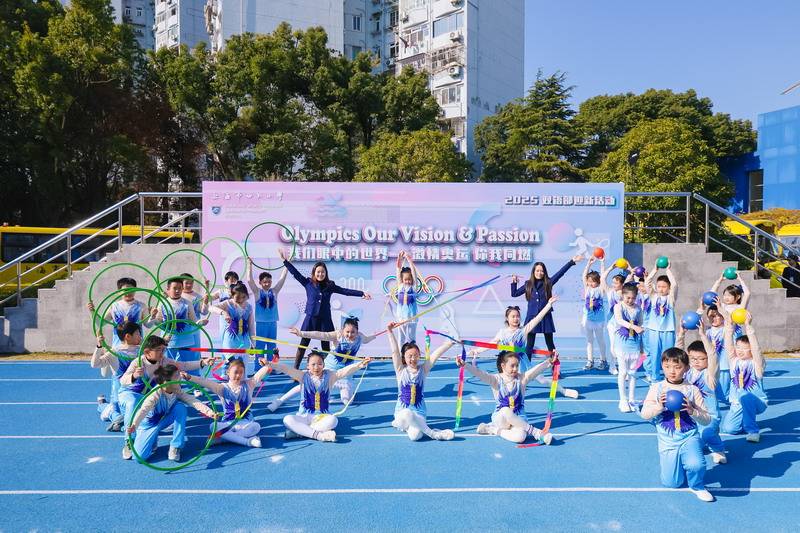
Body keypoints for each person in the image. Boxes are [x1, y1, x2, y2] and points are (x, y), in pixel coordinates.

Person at [118, 335, 213, 459]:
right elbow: (123, 380)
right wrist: (134, 375)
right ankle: (129, 441)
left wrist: (202, 362)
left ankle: (175, 446)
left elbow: (183, 365)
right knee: (134, 405)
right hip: (132, 393)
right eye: (159, 350)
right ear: (147, 352)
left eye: (163, 349)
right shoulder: (138, 362)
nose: (162, 353)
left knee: (179, 407)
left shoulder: (164, 361)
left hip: (154, 396)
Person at [640, 347, 715, 502]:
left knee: (696, 465)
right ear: (662, 366)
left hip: (689, 437)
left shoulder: (692, 390)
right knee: (672, 483)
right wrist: (659, 407)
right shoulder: (656, 388)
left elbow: (707, 419)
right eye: (667, 366)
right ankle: (678, 464)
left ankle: (697, 485)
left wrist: (693, 411)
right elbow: (644, 414)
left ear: (686, 368)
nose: (672, 371)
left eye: (677, 367)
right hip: (667, 441)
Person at [466, 297, 578, 398]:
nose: (516, 319)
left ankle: (564, 391)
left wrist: (549, 305)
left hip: (523, 363)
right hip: (508, 365)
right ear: (507, 318)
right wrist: (477, 351)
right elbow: (491, 344)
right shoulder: (502, 332)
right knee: (508, 385)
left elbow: (538, 318)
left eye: (518, 316)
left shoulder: (523, 331)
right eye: (513, 316)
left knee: (542, 380)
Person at [279, 249, 372, 369]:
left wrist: (361, 293)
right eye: (318, 272)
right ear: (314, 273)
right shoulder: (308, 283)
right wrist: (285, 261)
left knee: (326, 346)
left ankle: (328, 368)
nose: (320, 274)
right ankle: (295, 368)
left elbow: (345, 291)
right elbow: (295, 273)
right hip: (310, 318)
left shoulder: (330, 285)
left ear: (325, 273)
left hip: (325, 319)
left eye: (322, 272)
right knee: (303, 344)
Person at [268, 317, 377, 412]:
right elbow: (320, 335)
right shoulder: (337, 335)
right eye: (347, 332)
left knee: (347, 402)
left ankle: (333, 391)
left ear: (357, 332)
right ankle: (280, 400)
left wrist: (375, 335)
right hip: (330, 368)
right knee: (308, 384)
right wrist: (301, 333)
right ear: (343, 330)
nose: (350, 335)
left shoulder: (360, 337)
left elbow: (367, 339)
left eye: (353, 332)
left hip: (345, 372)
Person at [268, 351, 370, 442]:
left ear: (324, 365)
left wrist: (361, 364)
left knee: (333, 420)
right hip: (303, 416)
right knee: (287, 419)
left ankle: (300, 432)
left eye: (320, 364)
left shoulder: (330, 376)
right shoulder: (302, 376)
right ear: (308, 366)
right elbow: (286, 369)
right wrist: (269, 364)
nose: (316, 367)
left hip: (321, 417)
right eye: (313, 364)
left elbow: (344, 371)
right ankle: (320, 436)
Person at [457, 351, 555, 445]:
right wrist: (465, 365)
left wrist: (550, 361)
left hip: (519, 419)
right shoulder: (495, 380)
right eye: (512, 366)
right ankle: (536, 433)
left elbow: (536, 370)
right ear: (503, 366)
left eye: (517, 365)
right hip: (501, 419)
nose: (515, 369)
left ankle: (492, 429)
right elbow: (480, 373)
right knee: (505, 410)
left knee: (520, 437)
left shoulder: (522, 379)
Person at [127, 364, 217, 462]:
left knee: (180, 408)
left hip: (164, 420)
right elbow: (143, 410)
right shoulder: (155, 394)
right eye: (176, 376)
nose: (180, 378)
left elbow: (193, 401)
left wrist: (210, 412)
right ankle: (152, 438)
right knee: (139, 458)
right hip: (149, 425)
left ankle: (176, 446)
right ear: (167, 382)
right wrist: (134, 425)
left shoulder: (176, 390)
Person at [387, 323, 455, 441]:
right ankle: (433, 434)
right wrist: (390, 331)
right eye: (410, 356)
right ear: (404, 358)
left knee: (415, 437)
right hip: (402, 413)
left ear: (419, 356)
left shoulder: (423, 370)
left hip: (419, 412)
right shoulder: (400, 370)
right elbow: (394, 352)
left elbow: (435, 356)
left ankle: (414, 427)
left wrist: (449, 343)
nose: (413, 359)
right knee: (407, 413)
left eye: (416, 355)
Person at [183, 358, 271, 448]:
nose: (238, 375)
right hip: (228, 424)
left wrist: (267, 364)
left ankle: (223, 438)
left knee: (256, 426)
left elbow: (259, 375)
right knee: (213, 426)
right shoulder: (222, 388)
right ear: (228, 372)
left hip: (245, 423)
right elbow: (205, 382)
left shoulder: (249, 385)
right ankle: (247, 442)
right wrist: (190, 377)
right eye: (236, 372)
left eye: (241, 372)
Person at [511, 255, 583, 357]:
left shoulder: (548, 282)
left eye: (542, 271)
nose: (539, 273)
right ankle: (527, 365)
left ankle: (555, 364)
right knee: (530, 344)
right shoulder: (528, 284)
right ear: (533, 272)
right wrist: (514, 282)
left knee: (550, 343)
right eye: (537, 271)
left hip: (546, 316)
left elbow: (560, 273)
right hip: (532, 317)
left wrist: (571, 262)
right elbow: (514, 294)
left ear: (544, 272)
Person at [676, 322, 727, 465]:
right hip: (690, 415)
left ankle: (718, 449)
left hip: (709, 416)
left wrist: (703, 335)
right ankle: (702, 443)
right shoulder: (686, 372)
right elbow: (677, 355)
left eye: (701, 359)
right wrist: (681, 334)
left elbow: (713, 355)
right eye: (693, 358)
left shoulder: (710, 375)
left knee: (708, 433)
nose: (696, 362)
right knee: (688, 441)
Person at [719, 311, 767, 442]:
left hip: (756, 401)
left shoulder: (757, 364)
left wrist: (748, 326)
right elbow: (728, 345)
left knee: (744, 395)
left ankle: (753, 431)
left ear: (751, 350)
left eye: (744, 348)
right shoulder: (734, 361)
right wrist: (729, 326)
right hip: (737, 402)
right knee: (729, 429)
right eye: (738, 347)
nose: (740, 351)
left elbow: (756, 349)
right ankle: (746, 419)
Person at [91, 321, 142, 431]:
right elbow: (95, 364)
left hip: (138, 392)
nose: (141, 336)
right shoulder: (114, 352)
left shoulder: (142, 350)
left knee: (136, 416)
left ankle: (109, 409)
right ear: (128, 336)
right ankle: (102, 405)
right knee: (112, 414)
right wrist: (99, 346)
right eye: (138, 334)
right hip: (120, 396)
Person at [86, 277, 156, 349]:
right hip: (118, 347)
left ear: (135, 290)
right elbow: (100, 323)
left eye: (131, 290)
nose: (128, 293)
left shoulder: (141, 306)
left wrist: (153, 316)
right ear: (119, 291)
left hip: (137, 347)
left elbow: (148, 325)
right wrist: (92, 311)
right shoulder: (114, 306)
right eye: (125, 290)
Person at [246, 257, 287, 371]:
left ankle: (271, 367)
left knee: (272, 346)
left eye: (269, 281)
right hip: (261, 323)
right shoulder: (257, 292)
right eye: (264, 282)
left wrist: (287, 265)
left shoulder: (275, 291)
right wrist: (249, 265)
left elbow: (282, 279)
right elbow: (249, 280)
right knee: (259, 346)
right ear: (260, 282)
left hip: (272, 323)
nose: (267, 284)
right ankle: (258, 367)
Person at [642, 260, 677, 383]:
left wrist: (668, 270)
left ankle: (669, 378)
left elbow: (675, 285)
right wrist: (655, 269)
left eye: (664, 287)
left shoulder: (671, 298)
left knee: (669, 355)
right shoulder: (653, 297)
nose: (661, 289)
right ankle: (655, 378)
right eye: (659, 287)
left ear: (669, 288)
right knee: (654, 354)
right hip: (654, 330)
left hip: (668, 330)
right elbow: (647, 283)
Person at [613, 284, 646, 413]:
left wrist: (642, 347)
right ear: (623, 295)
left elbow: (641, 323)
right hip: (622, 344)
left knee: (633, 373)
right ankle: (623, 400)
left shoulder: (638, 308)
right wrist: (634, 327)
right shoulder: (618, 306)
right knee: (623, 372)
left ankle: (631, 399)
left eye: (633, 298)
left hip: (635, 344)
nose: (630, 300)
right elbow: (620, 321)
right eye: (628, 297)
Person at [154, 277, 198, 364]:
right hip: (169, 342)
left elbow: (193, 321)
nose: (177, 291)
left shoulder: (187, 303)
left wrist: (200, 323)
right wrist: (152, 316)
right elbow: (158, 321)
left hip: (186, 341)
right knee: (167, 367)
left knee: (189, 366)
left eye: (180, 288)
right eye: (174, 288)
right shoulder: (163, 303)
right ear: (168, 289)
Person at [211, 282, 255, 353]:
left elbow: (251, 327)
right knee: (231, 360)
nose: (241, 300)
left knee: (243, 360)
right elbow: (211, 308)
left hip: (244, 343)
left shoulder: (249, 307)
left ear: (246, 295)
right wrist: (224, 313)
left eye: (243, 297)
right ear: (232, 296)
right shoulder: (228, 303)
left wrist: (253, 344)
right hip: (230, 342)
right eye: (237, 297)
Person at [581, 257, 609, 371]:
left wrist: (602, 263)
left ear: (598, 282)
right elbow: (584, 276)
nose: (591, 283)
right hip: (588, 319)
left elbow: (603, 277)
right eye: (589, 281)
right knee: (589, 341)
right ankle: (590, 361)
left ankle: (603, 360)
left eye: (593, 281)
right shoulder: (587, 289)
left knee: (600, 341)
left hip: (598, 320)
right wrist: (589, 264)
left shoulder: (601, 290)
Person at [600, 264, 627, 376]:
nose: (613, 284)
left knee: (622, 346)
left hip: (623, 323)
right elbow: (602, 279)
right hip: (612, 323)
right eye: (613, 282)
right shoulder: (610, 291)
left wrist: (630, 270)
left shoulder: (626, 293)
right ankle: (612, 366)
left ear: (622, 284)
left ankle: (623, 367)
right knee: (613, 345)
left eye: (616, 283)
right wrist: (611, 268)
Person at [393, 250, 421, 344]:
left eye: (409, 279)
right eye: (405, 279)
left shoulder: (414, 287)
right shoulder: (400, 286)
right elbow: (398, 271)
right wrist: (400, 259)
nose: (407, 281)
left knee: (411, 338)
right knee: (401, 338)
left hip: (412, 317)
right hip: (401, 317)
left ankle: (412, 352)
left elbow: (414, 272)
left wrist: (409, 260)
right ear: (402, 279)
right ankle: (400, 352)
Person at [181, 273, 210, 352]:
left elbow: (204, 312)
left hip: (194, 328)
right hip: (180, 328)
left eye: (191, 283)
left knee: (194, 352)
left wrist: (205, 303)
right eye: (187, 283)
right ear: (181, 283)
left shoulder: (197, 296)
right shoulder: (177, 296)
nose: (189, 285)